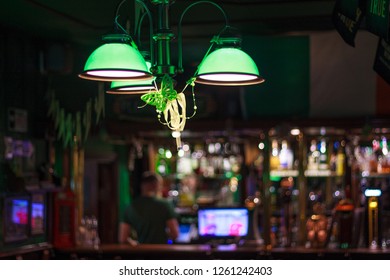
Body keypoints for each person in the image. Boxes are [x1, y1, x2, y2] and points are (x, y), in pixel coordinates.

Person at [119, 171, 179, 244]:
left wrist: (136, 244)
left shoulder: (130, 206)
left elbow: (122, 239)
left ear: (142, 186)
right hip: (162, 251)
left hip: (141, 252)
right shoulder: (165, 204)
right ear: (156, 185)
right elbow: (175, 234)